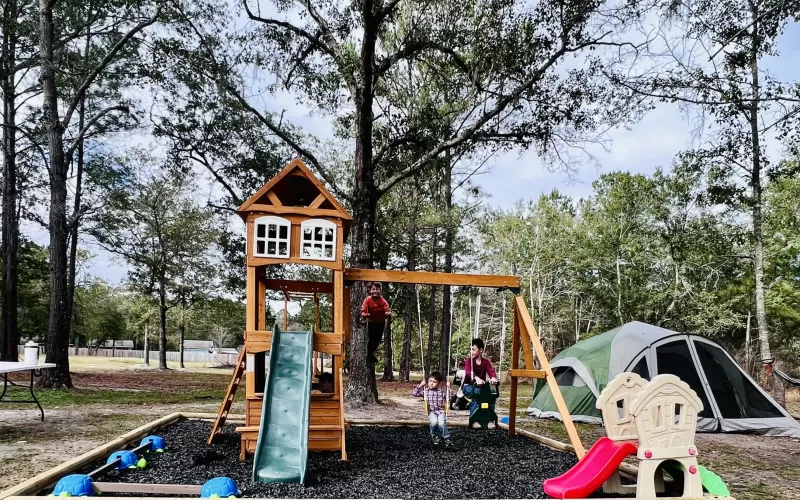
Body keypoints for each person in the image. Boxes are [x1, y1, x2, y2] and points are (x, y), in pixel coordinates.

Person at [462, 338, 498, 423]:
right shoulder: (469, 361)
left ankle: (489, 418)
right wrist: (476, 378)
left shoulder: (486, 362)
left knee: (492, 394)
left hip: (480, 387)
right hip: (468, 386)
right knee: (477, 395)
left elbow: (491, 371)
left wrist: (493, 378)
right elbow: (468, 372)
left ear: (481, 350)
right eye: (470, 350)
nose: (471, 352)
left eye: (473, 350)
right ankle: (474, 420)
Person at [412, 371, 452, 446]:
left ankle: (446, 438)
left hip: (441, 411)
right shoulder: (425, 391)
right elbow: (414, 393)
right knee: (433, 422)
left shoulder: (442, 392)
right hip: (431, 412)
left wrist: (449, 387)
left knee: (441, 423)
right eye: (430, 381)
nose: (431, 383)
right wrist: (420, 385)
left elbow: (449, 397)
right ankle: (435, 436)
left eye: (434, 382)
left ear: (439, 383)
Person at [360, 282, 391, 363]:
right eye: (373, 289)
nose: (375, 291)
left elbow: (387, 310)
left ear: (380, 291)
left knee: (378, 339)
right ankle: (370, 355)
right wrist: (364, 315)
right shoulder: (367, 300)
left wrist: (388, 313)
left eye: (377, 289)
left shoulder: (383, 301)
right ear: (370, 291)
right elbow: (363, 310)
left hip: (381, 322)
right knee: (371, 339)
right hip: (371, 322)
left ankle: (371, 354)